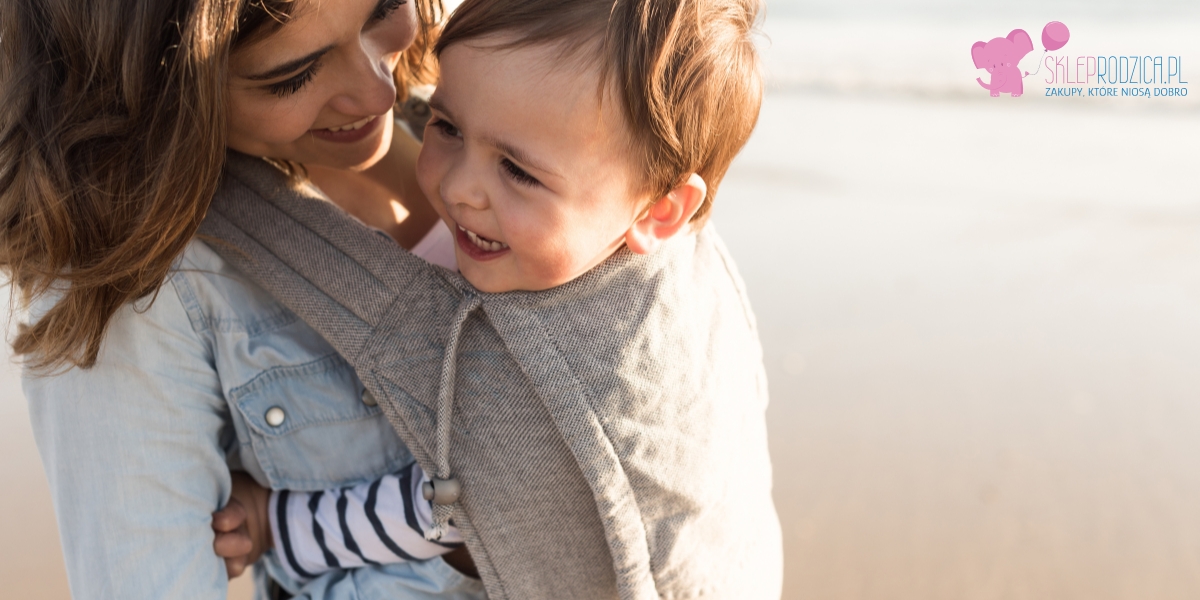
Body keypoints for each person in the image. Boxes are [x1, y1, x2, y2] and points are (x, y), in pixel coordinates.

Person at [200, 0, 782, 596]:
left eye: (518, 171)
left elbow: (456, 512)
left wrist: (278, 525)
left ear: (659, 211)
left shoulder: (567, 378)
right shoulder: (628, 224)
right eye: (447, 127)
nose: (459, 188)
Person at [0, 0, 483, 597]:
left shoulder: (492, 110)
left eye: (383, 10)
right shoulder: (130, 288)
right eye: (293, 77)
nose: (376, 91)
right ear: (164, 88)